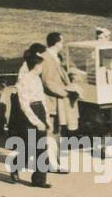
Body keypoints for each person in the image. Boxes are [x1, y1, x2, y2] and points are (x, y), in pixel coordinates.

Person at [11, 43, 52, 188]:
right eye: (40, 66)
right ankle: (15, 165)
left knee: (42, 147)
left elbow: (42, 100)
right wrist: (35, 121)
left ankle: (39, 180)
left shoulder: (37, 80)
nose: (42, 68)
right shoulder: (25, 80)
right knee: (30, 147)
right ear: (35, 66)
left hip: (39, 110)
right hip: (29, 114)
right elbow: (24, 104)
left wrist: (46, 119)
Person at [40, 32, 80, 173]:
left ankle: (54, 162)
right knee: (51, 133)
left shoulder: (57, 57)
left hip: (58, 103)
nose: (62, 45)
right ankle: (51, 163)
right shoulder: (45, 58)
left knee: (57, 132)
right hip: (51, 101)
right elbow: (48, 82)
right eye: (62, 42)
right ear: (56, 43)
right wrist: (66, 91)